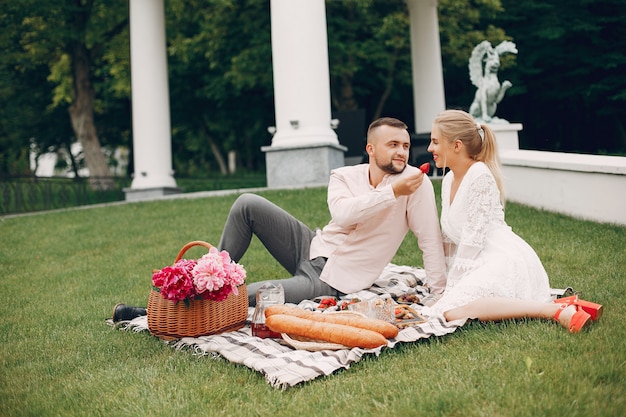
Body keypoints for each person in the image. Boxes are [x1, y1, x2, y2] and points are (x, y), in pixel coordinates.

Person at [112, 117, 447, 321]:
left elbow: (429, 239)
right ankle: (211, 274)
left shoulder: (414, 187)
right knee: (247, 203)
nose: (402, 152)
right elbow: (342, 214)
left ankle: (153, 311)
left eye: (405, 145)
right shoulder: (344, 175)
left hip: (332, 280)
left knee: (246, 296)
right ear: (371, 149)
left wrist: (439, 293)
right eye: (393, 145)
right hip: (309, 246)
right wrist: (391, 192)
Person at [422, 109, 603, 333]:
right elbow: (450, 239)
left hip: (501, 258)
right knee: (448, 307)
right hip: (475, 259)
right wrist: (444, 288)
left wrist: (452, 292)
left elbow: (472, 240)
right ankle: (565, 305)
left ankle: (556, 312)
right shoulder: (448, 179)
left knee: (450, 311)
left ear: (456, 145)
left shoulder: (479, 174)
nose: (430, 149)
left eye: (435, 142)